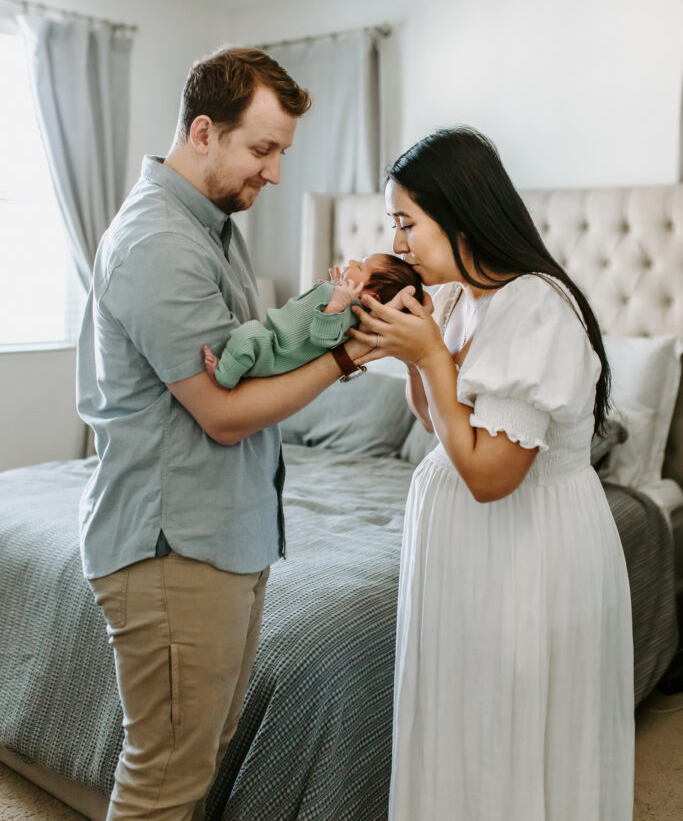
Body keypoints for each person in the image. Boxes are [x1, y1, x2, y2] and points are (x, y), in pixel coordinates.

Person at [76, 46, 381, 821]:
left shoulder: (208, 226)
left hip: (222, 536)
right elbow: (221, 413)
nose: (274, 173)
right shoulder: (160, 243)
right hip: (172, 546)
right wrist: (347, 355)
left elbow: (249, 364)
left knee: (193, 757)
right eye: (263, 149)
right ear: (203, 132)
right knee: (165, 779)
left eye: (281, 151)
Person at [348, 127, 634, 821]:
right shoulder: (455, 298)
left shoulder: (536, 306)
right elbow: (438, 427)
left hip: (526, 550)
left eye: (406, 221)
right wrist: (416, 345)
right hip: (470, 552)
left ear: (459, 213)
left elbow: (488, 474)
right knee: (464, 717)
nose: (400, 240)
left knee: (511, 722)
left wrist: (433, 359)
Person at [202, 253, 423, 388]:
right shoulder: (344, 298)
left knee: (246, 336)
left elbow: (321, 338)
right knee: (244, 334)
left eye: (360, 267)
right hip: (273, 336)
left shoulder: (349, 313)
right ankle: (233, 369)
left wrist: (336, 304)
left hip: (279, 351)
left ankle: (224, 378)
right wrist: (331, 288)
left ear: (371, 297)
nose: (353, 261)